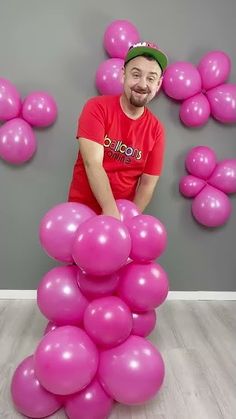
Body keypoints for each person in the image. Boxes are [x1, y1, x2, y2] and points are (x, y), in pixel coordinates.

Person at [68, 41, 168, 218]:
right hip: (81, 214)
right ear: (123, 75)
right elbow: (93, 164)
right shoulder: (96, 107)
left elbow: (147, 184)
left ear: (158, 84)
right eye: (136, 75)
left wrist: (129, 219)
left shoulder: (156, 130)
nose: (142, 84)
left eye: (151, 78)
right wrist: (111, 214)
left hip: (121, 219)